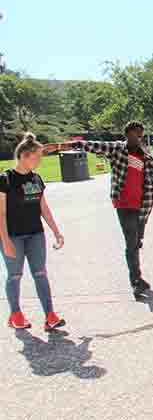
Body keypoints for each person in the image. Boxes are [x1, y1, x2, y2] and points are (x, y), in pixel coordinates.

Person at [46, 122, 153, 297]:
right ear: (126, 134)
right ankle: (136, 281)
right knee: (131, 243)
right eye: (135, 134)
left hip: (142, 208)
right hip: (124, 205)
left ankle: (138, 278)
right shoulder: (117, 150)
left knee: (136, 242)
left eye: (141, 135)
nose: (138, 138)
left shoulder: (147, 158)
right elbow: (89, 145)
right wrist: (59, 146)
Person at [1, 133, 66, 331]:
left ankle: (50, 316)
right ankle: (16, 314)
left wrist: (56, 231)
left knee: (40, 273)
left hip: (35, 234)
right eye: (36, 157)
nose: (39, 161)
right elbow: (1, 213)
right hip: (13, 235)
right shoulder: (6, 178)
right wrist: (5, 241)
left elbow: (43, 208)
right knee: (15, 275)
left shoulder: (36, 178)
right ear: (23, 156)